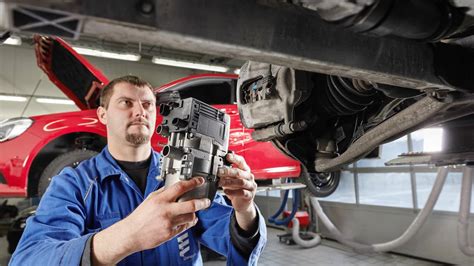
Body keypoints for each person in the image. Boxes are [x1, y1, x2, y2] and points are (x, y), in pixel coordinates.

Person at [10, 75, 266, 265]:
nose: (140, 111)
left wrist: (245, 210)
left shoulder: (185, 176)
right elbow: (30, 258)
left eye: (147, 104)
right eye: (126, 102)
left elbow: (233, 239)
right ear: (102, 114)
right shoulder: (74, 184)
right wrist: (128, 236)